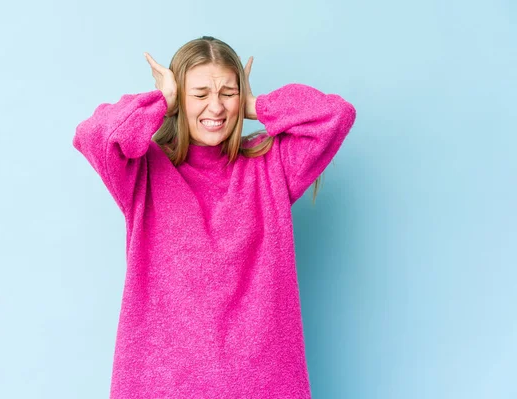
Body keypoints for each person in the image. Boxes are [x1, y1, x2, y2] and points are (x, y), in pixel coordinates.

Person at [73, 36, 356, 399]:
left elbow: (336, 116)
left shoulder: (271, 166)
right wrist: (163, 102)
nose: (216, 107)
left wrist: (258, 105)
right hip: (160, 386)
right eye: (200, 93)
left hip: (262, 384)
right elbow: (96, 134)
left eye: (227, 92)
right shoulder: (143, 170)